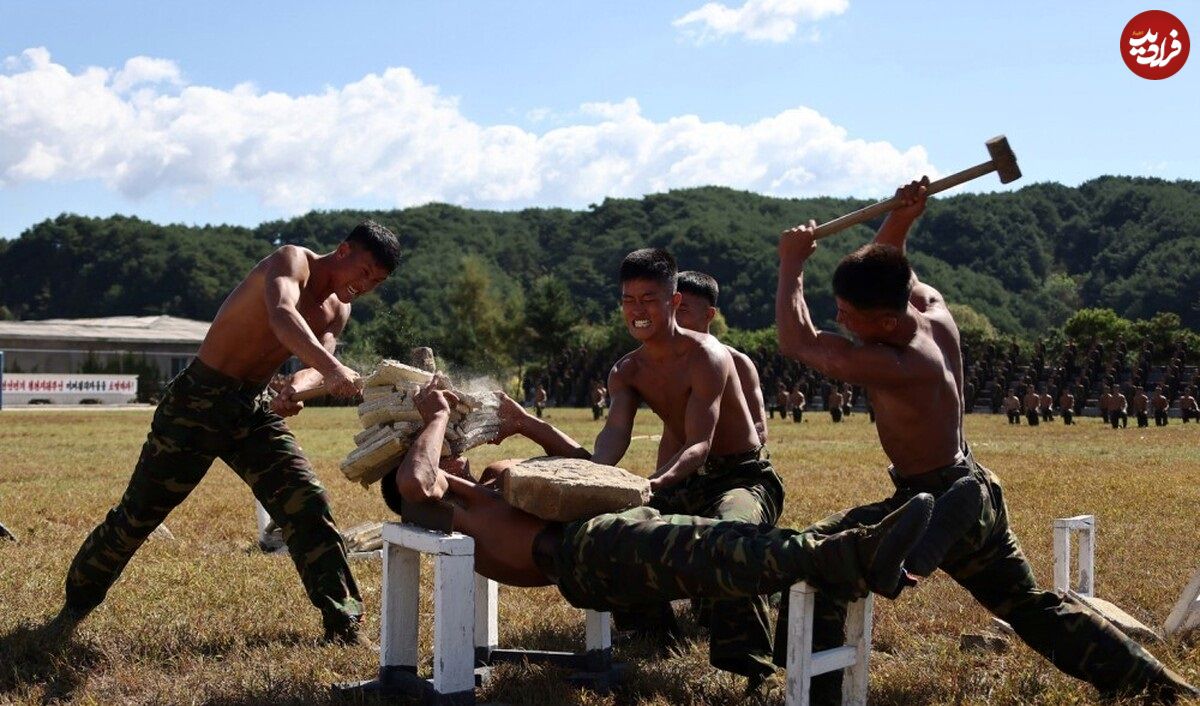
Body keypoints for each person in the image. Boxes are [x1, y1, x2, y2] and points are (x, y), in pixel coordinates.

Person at [775, 177, 1195, 703]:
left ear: (884, 319)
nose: (838, 317)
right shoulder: (934, 314)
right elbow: (892, 263)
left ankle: (826, 679)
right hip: (970, 488)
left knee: (819, 554)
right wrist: (903, 216)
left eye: (847, 313)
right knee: (1026, 607)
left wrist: (791, 260)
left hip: (939, 499)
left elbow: (797, 340)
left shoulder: (897, 364)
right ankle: (1156, 685)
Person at [382, 382, 935, 658]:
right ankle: (850, 556)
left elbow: (585, 464)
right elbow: (415, 480)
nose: (452, 449)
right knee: (715, 549)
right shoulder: (434, 500)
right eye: (438, 447)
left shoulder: (482, 489)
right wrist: (434, 418)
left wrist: (527, 424)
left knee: (723, 542)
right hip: (582, 552)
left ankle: (871, 529)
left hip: (601, 535)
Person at [52, 220, 401, 644]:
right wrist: (332, 371)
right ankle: (75, 604)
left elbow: (316, 364)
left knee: (306, 503)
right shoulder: (292, 261)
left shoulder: (338, 309)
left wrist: (296, 386)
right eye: (364, 272)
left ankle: (343, 623)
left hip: (249, 410)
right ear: (343, 251)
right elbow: (282, 315)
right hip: (196, 401)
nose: (365, 286)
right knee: (138, 516)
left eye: (376, 282)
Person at [486, 248, 785, 683]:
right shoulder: (626, 371)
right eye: (628, 300)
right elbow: (612, 440)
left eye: (648, 299)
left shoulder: (708, 355)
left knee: (733, 531)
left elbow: (700, 443)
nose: (637, 310)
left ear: (674, 302)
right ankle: (652, 632)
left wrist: (656, 482)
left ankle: (749, 665)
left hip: (740, 476)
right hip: (680, 481)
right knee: (614, 532)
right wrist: (595, 478)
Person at [674, 270, 769, 445]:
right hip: (684, 464)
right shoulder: (668, 364)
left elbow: (759, 429)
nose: (673, 318)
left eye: (682, 310)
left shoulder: (738, 363)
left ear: (709, 315)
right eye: (671, 309)